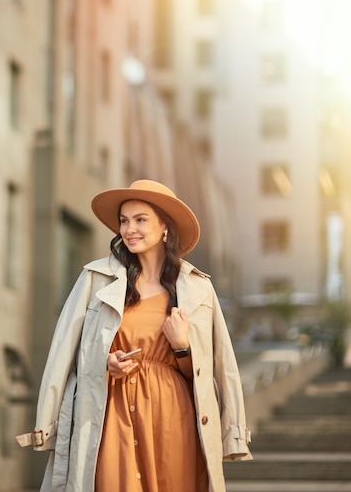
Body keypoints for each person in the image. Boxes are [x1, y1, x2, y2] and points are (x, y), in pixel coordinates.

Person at [16, 179, 252, 492]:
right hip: (110, 419)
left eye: (141, 220)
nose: (130, 229)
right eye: (124, 221)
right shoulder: (95, 279)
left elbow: (221, 367)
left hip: (173, 423)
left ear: (165, 226)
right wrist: (104, 364)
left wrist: (182, 347)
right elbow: (63, 352)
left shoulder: (198, 288)